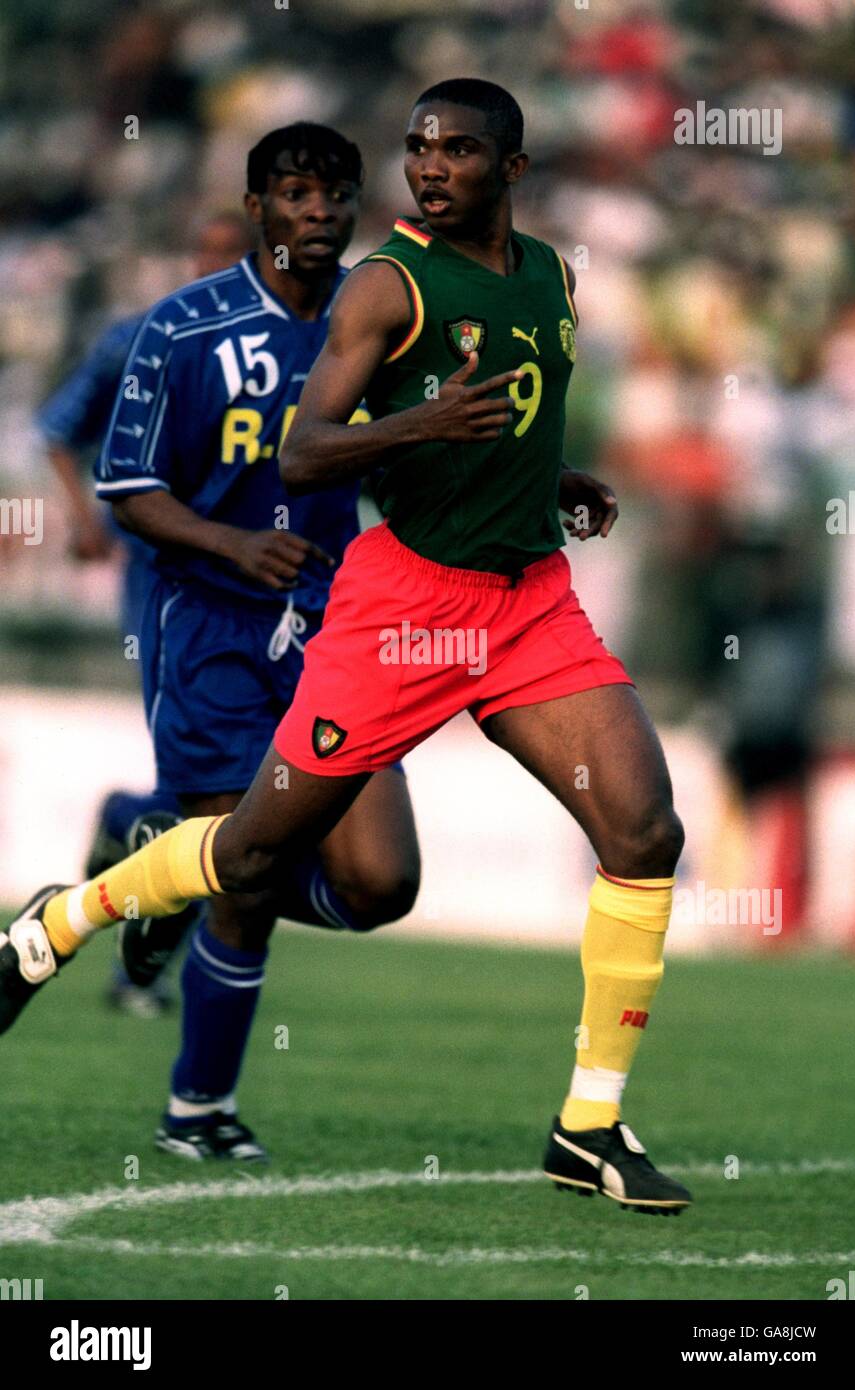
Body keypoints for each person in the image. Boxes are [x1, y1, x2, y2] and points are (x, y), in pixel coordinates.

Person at [3, 82, 688, 1212]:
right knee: (248, 856)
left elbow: (505, 420)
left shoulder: (551, 277)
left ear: (512, 169)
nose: (429, 166)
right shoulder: (385, 286)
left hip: (527, 604)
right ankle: (65, 922)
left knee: (643, 830)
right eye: (417, 147)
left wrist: (551, 479)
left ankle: (588, 1125)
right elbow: (304, 452)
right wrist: (425, 423)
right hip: (401, 611)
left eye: (456, 149)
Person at [15, 123, 421, 1162]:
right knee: (247, 878)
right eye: (296, 193)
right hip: (208, 624)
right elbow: (127, 487)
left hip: (336, 625)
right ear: (257, 208)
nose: (319, 212)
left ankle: (157, 867)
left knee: (381, 884)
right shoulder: (176, 329)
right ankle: (198, 1109)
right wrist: (232, 544)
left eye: (336, 195)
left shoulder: (375, 322)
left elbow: (394, 466)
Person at [37, 210, 253, 1016]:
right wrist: (85, 521)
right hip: (166, 587)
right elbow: (59, 430)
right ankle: (139, 974)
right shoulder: (141, 339)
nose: (218, 268)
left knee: (230, 788)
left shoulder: (291, 347)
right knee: (204, 786)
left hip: (260, 595)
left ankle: (124, 821)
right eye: (209, 252)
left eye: (234, 255)